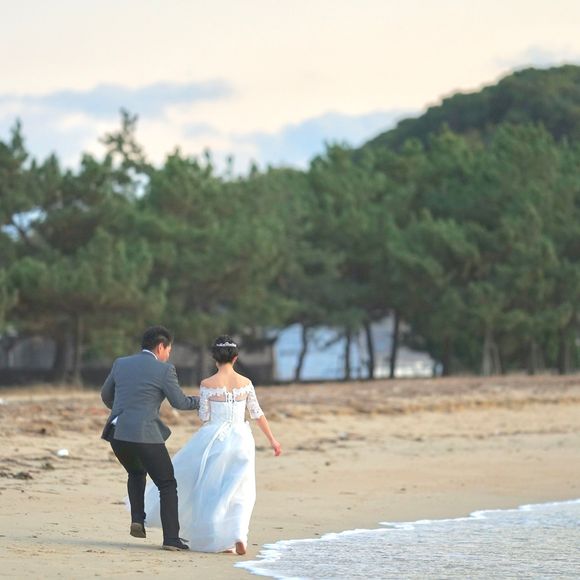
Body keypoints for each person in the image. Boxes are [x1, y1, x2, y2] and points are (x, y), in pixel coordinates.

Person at [144, 335, 282, 555]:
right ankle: (239, 534)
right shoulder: (246, 383)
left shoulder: (207, 384)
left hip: (215, 438)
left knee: (213, 489)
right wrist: (272, 440)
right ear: (235, 358)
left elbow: (204, 416)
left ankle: (219, 536)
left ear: (215, 359)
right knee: (241, 489)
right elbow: (257, 413)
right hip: (241, 439)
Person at [101, 325, 200, 551]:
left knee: (136, 472)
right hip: (144, 434)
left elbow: (106, 395)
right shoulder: (164, 370)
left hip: (117, 433)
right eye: (169, 350)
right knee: (167, 483)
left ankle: (137, 519)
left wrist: (123, 409)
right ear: (160, 346)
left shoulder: (121, 363)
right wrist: (201, 400)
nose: (168, 355)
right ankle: (171, 539)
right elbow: (179, 402)